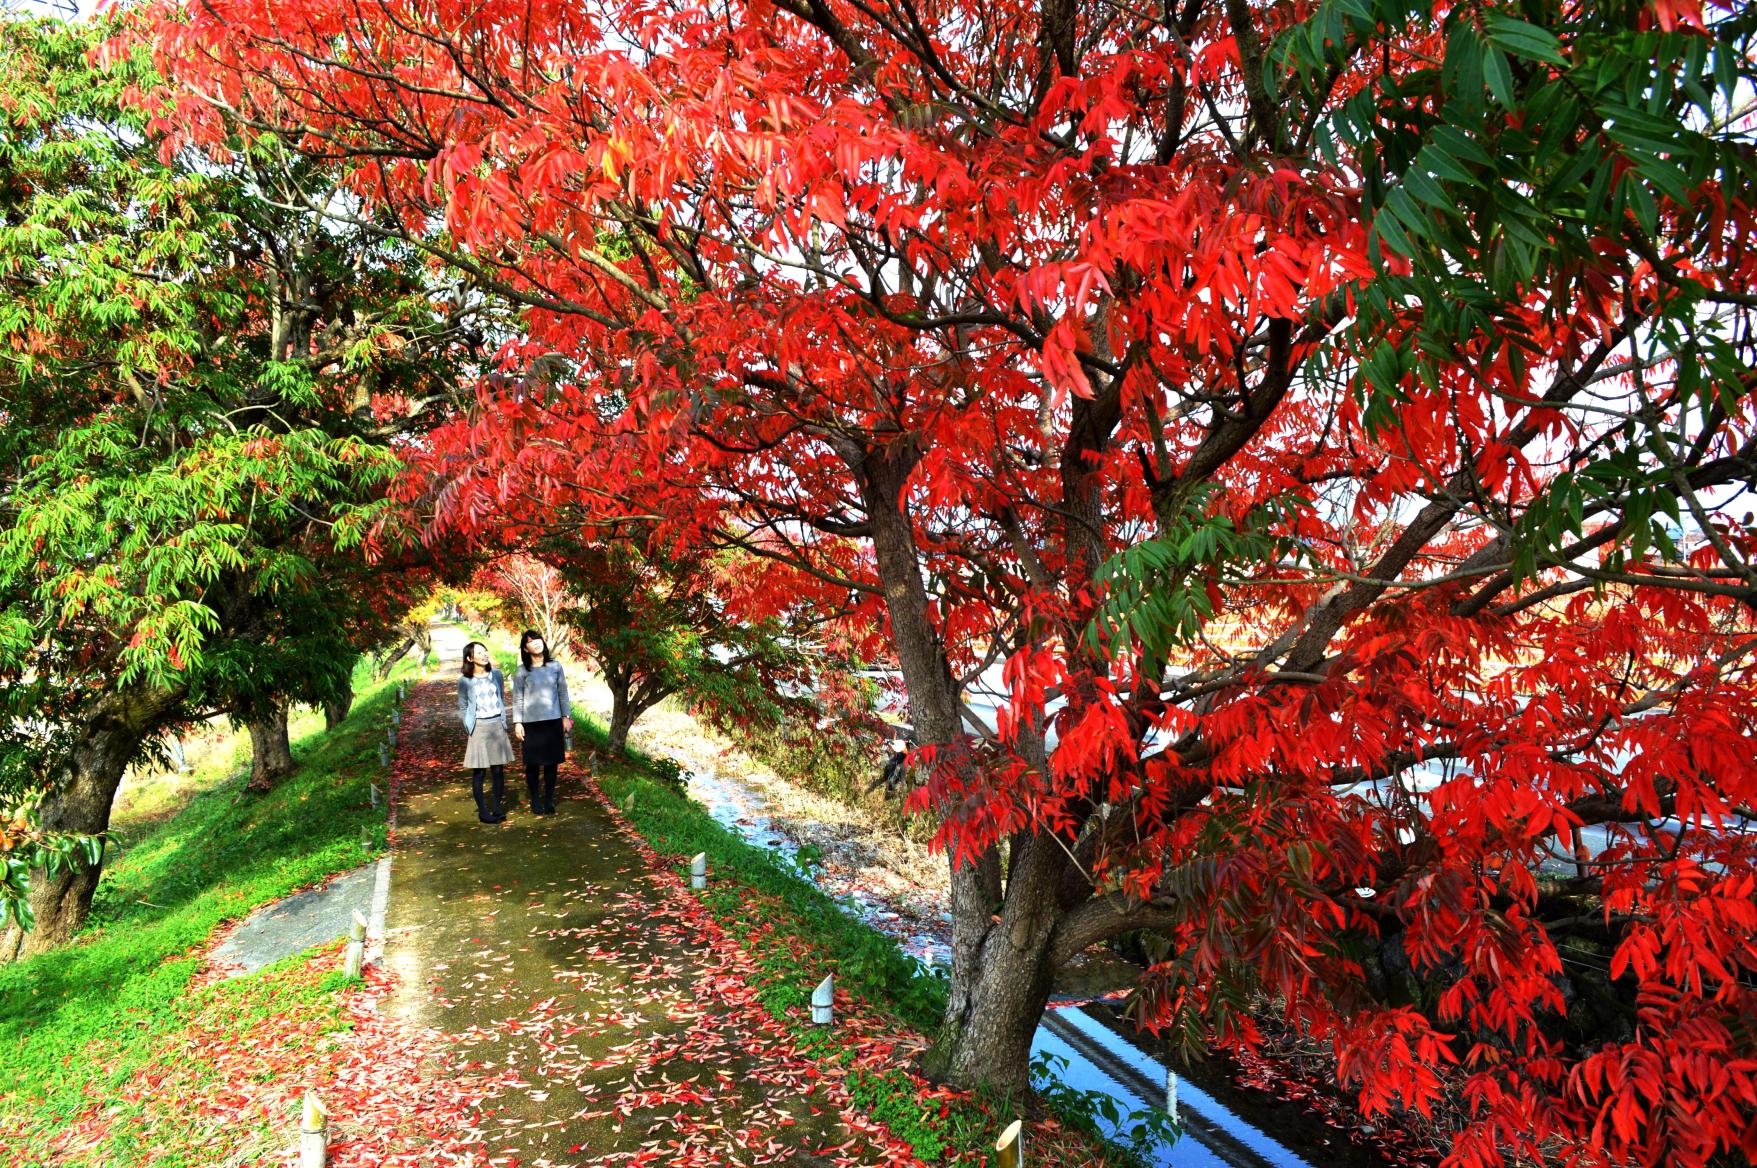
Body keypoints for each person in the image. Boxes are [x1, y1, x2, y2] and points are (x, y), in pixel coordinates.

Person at [511, 629, 573, 815]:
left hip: (553, 720)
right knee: (532, 763)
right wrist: (517, 723)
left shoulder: (555, 666)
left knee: (551, 763)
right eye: (531, 641)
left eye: (538, 639)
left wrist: (565, 716)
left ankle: (548, 799)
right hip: (531, 723)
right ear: (525, 648)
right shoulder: (522, 671)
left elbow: (563, 692)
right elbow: (517, 698)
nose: (536, 642)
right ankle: (535, 800)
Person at [457, 640, 514, 823]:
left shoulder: (496, 675)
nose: (484, 654)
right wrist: (470, 726)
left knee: (498, 770)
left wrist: (503, 720)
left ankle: (497, 807)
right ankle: (483, 812)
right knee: (479, 772)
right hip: (479, 727)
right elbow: (464, 706)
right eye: (479, 652)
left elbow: (500, 698)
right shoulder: (465, 681)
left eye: (485, 651)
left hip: (497, 724)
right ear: (470, 657)